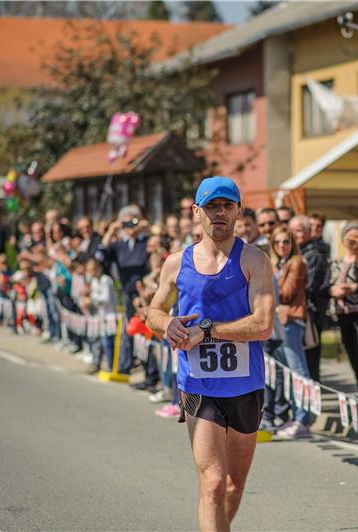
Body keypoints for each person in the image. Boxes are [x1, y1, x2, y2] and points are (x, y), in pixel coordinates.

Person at [147, 176, 274, 532]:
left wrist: (207, 330)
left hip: (246, 385)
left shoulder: (254, 260)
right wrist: (167, 324)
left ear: (238, 211)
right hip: (199, 385)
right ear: (196, 211)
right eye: (212, 206)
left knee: (233, 485)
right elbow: (153, 311)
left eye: (227, 206)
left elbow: (263, 325)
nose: (220, 213)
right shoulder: (176, 262)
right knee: (214, 482)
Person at [270, 225, 314, 439]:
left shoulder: (297, 262)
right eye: (277, 242)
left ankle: (302, 419)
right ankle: (295, 416)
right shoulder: (277, 263)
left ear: (292, 244)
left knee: (299, 373)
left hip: (291, 321)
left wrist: (267, 284)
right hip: (278, 322)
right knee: (288, 374)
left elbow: (285, 293)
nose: (281, 246)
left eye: (285, 242)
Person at [100, 205, 150, 374]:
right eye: (126, 224)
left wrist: (145, 227)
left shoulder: (146, 241)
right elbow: (101, 254)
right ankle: (126, 364)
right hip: (127, 292)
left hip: (146, 293)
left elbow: (159, 247)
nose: (130, 228)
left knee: (147, 331)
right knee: (129, 329)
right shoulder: (119, 245)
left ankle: (147, 368)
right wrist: (112, 230)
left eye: (133, 223)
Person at [329, 222, 358, 392]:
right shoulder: (336, 262)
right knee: (352, 356)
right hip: (342, 314)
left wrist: (352, 288)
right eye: (349, 237)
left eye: (356, 237)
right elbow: (327, 284)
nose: (352, 241)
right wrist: (333, 289)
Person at [289, 214, 329, 382]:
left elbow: (306, 287)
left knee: (308, 366)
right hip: (294, 315)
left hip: (308, 317)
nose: (298, 235)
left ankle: (311, 405)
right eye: (295, 231)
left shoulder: (314, 254)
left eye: (302, 230)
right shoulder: (291, 253)